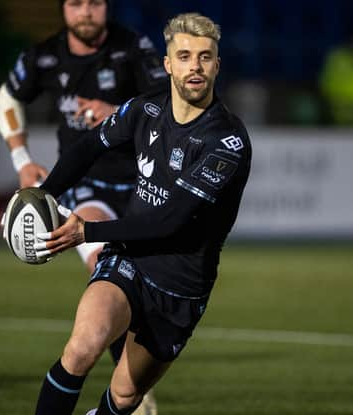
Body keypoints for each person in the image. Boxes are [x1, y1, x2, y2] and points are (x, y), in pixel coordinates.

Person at [27, 12, 251, 414]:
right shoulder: (144, 110)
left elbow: (172, 220)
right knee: (83, 346)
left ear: (217, 65)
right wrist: (43, 196)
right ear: (168, 64)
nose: (194, 66)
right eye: (184, 56)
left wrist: (87, 232)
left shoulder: (227, 141)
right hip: (128, 259)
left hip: (181, 285)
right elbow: (87, 147)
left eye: (204, 57)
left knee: (125, 396)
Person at [0, 1, 167, 411]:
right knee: (106, 266)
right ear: (63, 10)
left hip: (142, 186)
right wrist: (22, 159)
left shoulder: (134, 48)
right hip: (85, 186)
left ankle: (132, 383)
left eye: (94, 3)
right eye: (75, 4)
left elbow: (169, 104)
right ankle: (133, 394)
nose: (85, 12)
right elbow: (6, 99)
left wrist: (122, 113)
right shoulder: (45, 55)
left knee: (148, 288)